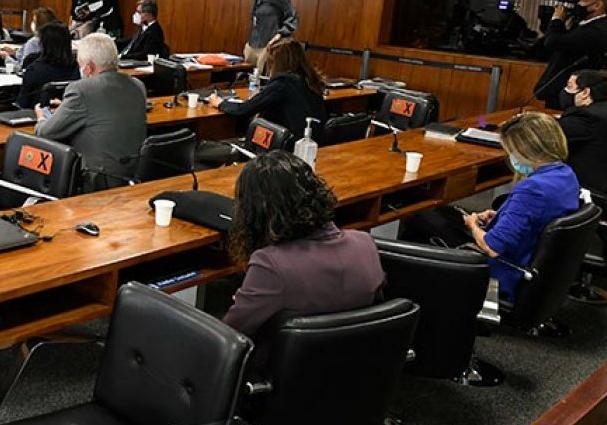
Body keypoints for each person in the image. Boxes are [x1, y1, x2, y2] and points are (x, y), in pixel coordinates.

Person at [403, 113, 581, 308]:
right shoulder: (566, 174)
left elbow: (492, 247)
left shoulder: (532, 188)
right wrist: (503, 216)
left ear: (526, 150)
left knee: (420, 218)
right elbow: (540, 216)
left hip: (502, 268)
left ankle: (422, 300)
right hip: (529, 255)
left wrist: (473, 225)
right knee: (439, 213)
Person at [222, 152, 384, 339]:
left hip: (282, 366)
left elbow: (231, 336)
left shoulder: (270, 265)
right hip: (360, 362)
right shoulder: (365, 244)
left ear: (255, 212)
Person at [34, 32, 147, 190]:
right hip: (135, 173)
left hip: (97, 178)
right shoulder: (137, 85)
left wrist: (41, 118)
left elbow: (46, 132)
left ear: (89, 68)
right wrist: (68, 106)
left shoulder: (81, 90)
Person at [207, 38, 327, 140]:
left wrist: (220, 103)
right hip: (314, 138)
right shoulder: (310, 79)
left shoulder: (283, 83)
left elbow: (243, 110)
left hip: (289, 144)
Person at [534, 0, 607, 108]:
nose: (578, 4)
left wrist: (557, 19)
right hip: (560, 88)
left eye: (583, 1)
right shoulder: (583, 24)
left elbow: (553, 42)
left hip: (572, 92)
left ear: (597, 5)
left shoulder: (598, 30)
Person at [243, 0, 298, 70]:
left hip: (269, 44)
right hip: (254, 43)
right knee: (248, 76)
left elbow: (292, 16)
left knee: (262, 78)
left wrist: (279, 35)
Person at [559, 70, 607, 194]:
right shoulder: (601, 110)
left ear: (585, 92)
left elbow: (548, 138)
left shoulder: (584, 116)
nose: (565, 91)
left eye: (569, 87)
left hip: (586, 189)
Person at [16, 23, 79, 109]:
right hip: (67, 114)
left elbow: (23, 103)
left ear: (44, 44)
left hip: (36, 116)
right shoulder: (76, 67)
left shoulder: (34, 69)